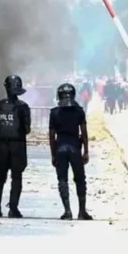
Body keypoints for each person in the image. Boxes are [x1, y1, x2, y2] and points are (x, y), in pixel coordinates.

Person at [49, 83, 93, 221]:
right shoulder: (79, 111)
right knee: (80, 179)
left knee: (62, 180)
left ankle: (67, 211)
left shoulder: (54, 112)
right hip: (75, 148)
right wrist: (86, 151)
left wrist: (53, 154)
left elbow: (51, 136)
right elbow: (84, 133)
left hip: (60, 148)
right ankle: (82, 212)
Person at [0, 75, 31, 218]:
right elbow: (27, 129)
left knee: (0, 177)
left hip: (1, 146)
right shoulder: (23, 107)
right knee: (16, 178)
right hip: (17, 146)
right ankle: (13, 208)